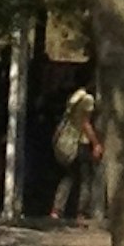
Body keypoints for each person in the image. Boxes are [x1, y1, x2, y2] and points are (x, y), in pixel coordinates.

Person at [51, 77, 101, 225]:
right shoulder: (87, 100)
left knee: (69, 176)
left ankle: (57, 209)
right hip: (81, 141)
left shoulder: (75, 96)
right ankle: (81, 212)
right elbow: (85, 123)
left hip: (68, 141)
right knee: (86, 178)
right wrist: (96, 143)